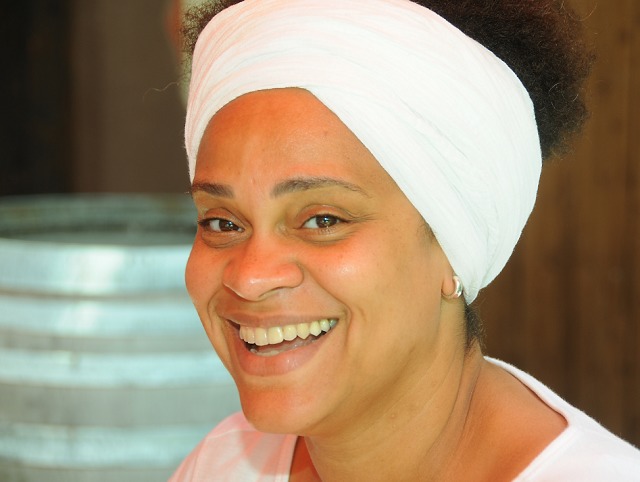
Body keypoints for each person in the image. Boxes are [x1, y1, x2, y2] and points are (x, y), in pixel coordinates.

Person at [170, 0, 640, 480]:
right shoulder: (221, 465)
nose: (250, 277)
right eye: (222, 223)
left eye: (323, 220)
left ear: (453, 247)